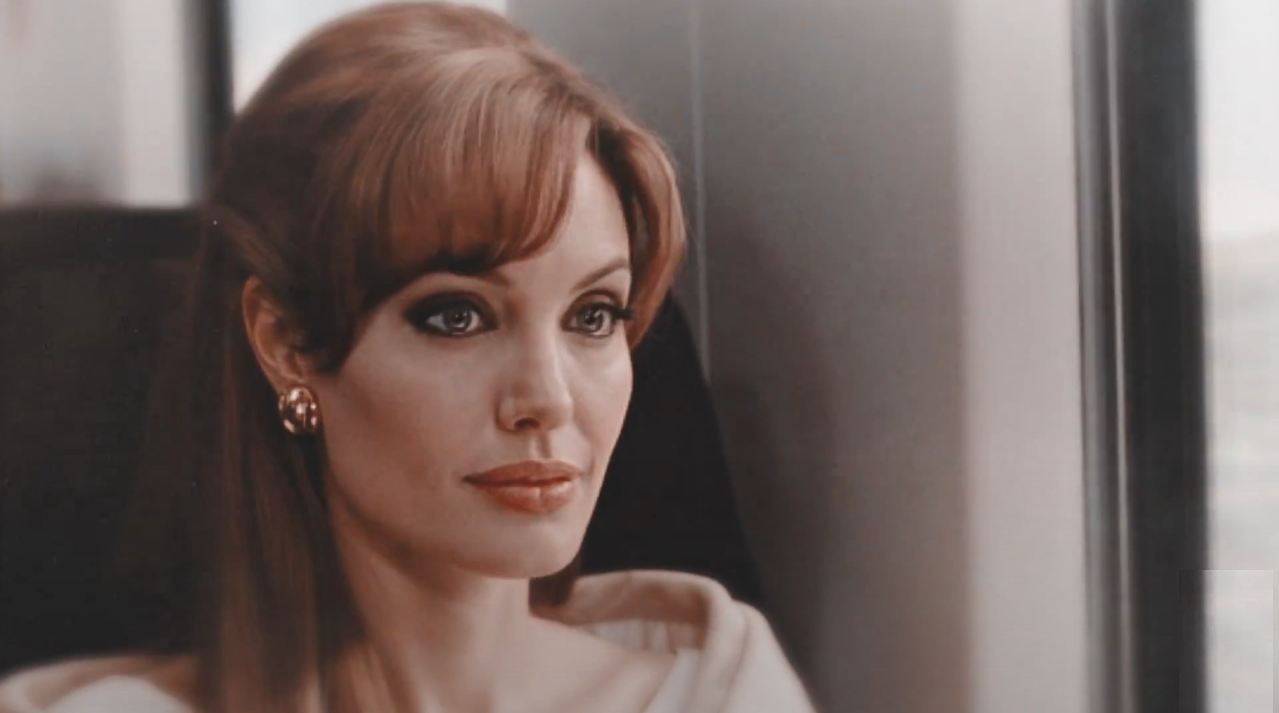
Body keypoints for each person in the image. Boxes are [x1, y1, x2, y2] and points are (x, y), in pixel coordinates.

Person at [0, 3, 816, 711]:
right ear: (285, 345)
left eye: (592, 315)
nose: (548, 397)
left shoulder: (715, 690)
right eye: (457, 316)